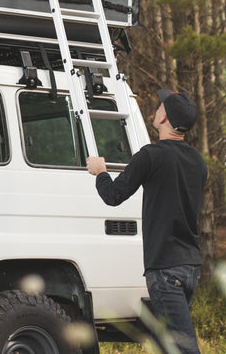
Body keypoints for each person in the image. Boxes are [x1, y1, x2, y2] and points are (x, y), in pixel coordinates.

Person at [86, 89, 208, 354]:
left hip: (164, 270)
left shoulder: (150, 155)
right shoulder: (198, 162)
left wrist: (100, 172)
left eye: (160, 106)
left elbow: (113, 196)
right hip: (190, 268)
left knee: (183, 347)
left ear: (165, 117)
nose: (157, 109)